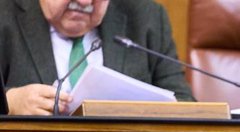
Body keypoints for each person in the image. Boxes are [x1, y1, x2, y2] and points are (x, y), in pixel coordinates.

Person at [0, 0, 194, 115]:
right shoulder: (5, 13)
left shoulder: (146, 18)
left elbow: (186, 105)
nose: (84, 2)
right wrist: (11, 102)